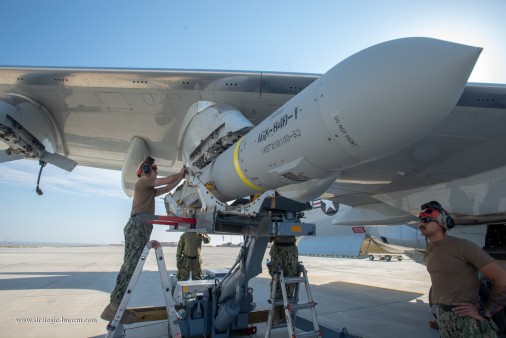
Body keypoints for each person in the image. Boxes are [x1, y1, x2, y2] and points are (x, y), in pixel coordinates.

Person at [101, 157, 187, 324]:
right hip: (137, 228)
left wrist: (181, 178)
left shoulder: (149, 189)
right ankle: (114, 307)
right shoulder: (143, 182)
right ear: (146, 170)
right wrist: (181, 172)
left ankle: (116, 307)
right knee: (130, 267)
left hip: (141, 228)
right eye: (154, 169)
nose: (156, 172)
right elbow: (168, 180)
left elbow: (169, 185)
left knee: (132, 267)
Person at [419, 200, 506, 337]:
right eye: (420, 220)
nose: (421, 224)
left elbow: (502, 277)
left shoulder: (463, 247)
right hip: (444, 318)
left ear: (442, 222)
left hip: (467, 322)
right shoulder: (431, 248)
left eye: (427, 220)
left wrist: (486, 312)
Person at [268, 235, 299, 323]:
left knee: (290, 282)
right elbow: (269, 238)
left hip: (290, 250)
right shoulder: (274, 221)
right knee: (277, 281)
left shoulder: (294, 221)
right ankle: (276, 313)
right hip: (278, 250)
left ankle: (286, 312)